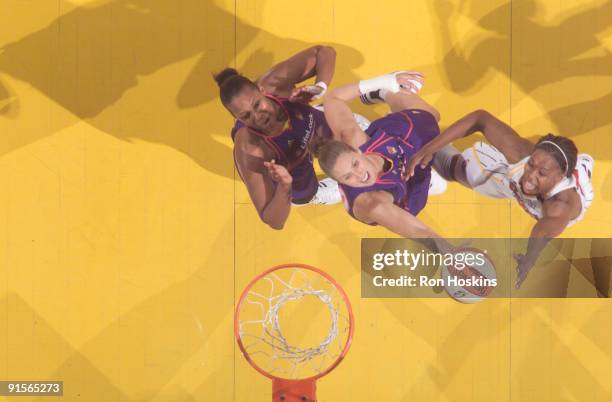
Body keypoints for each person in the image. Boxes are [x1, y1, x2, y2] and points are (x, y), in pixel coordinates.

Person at [407, 110, 594, 288]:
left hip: (558, 198)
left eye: (542, 173)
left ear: (560, 177)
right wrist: (430, 149)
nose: (530, 176)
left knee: (462, 171)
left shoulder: (560, 208)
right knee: (458, 168)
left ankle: (425, 154)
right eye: (531, 165)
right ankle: (410, 119)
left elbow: (540, 234)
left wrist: (528, 260)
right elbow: (480, 118)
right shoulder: (523, 155)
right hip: (534, 180)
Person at [214, 46, 370, 230]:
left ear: (262, 89)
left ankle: (325, 119)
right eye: (246, 116)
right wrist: (284, 186)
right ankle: (317, 194)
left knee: (360, 143)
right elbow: (273, 220)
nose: (258, 117)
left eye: (257, 104)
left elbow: (325, 53)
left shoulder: (275, 84)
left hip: (314, 128)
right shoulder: (250, 150)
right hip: (292, 164)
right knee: (304, 194)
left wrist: (319, 88)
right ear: (237, 118)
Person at [314, 71, 447, 243]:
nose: (359, 175)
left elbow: (333, 98)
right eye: (348, 177)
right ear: (341, 181)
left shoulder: (351, 136)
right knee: (441, 185)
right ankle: (336, 188)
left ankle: (383, 93)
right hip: (405, 190)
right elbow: (417, 230)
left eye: (355, 165)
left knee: (433, 116)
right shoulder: (372, 202)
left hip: (397, 147)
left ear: (358, 151)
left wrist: (383, 82)